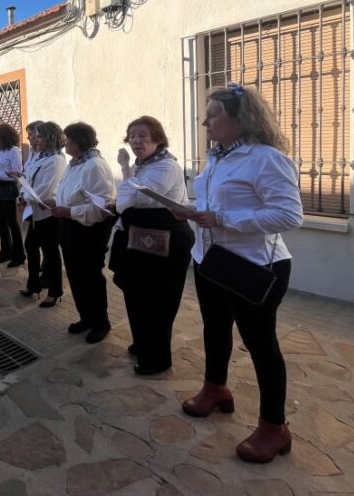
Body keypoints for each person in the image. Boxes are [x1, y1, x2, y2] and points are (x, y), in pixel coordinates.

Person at [179, 83, 303, 464]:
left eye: (213, 114)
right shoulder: (217, 158)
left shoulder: (266, 159)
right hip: (209, 260)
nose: (205, 121)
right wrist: (187, 209)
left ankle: (274, 427)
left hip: (254, 267)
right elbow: (212, 204)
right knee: (214, 330)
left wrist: (222, 219)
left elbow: (289, 215)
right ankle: (216, 389)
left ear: (239, 118)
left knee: (261, 345)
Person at [109, 116, 193, 375]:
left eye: (143, 135)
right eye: (132, 135)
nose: (136, 140)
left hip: (164, 244)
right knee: (136, 294)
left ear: (157, 138)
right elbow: (129, 197)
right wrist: (125, 168)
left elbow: (129, 200)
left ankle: (157, 358)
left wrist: (124, 184)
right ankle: (143, 343)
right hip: (141, 239)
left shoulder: (165, 167)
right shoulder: (142, 165)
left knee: (158, 300)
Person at [50, 122, 116, 342]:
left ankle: (101, 322)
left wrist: (68, 211)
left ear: (79, 142)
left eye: (67, 139)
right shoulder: (74, 164)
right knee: (75, 274)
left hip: (89, 230)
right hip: (69, 225)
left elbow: (101, 208)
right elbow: (68, 192)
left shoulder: (95, 165)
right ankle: (86, 317)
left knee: (90, 276)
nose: (64, 143)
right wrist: (54, 201)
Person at [19, 122, 66, 308]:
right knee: (30, 245)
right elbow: (28, 180)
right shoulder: (40, 156)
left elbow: (45, 191)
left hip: (48, 214)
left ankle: (55, 292)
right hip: (35, 211)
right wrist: (23, 195)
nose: (35, 140)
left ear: (49, 138)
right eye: (35, 136)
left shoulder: (56, 160)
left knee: (51, 253)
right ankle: (34, 285)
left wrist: (24, 196)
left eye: (39, 137)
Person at [0, 123, 25, 267]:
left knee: (12, 223)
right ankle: (5, 252)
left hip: (8, 188)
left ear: (5, 135)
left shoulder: (14, 150)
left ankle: (19, 255)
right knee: (2, 223)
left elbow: (16, 173)